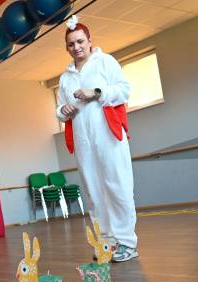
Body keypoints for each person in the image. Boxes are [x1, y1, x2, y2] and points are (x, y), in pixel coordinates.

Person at [56, 15, 137, 262]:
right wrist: (63, 111)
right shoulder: (65, 77)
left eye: (80, 41)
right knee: (93, 190)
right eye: (71, 44)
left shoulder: (105, 62)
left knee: (117, 186)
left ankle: (127, 243)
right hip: (83, 141)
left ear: (90, 41)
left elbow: (124, 90)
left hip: (109, 136)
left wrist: (97, 92)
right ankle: (106, 243)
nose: (76, 47)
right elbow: (59, 109)